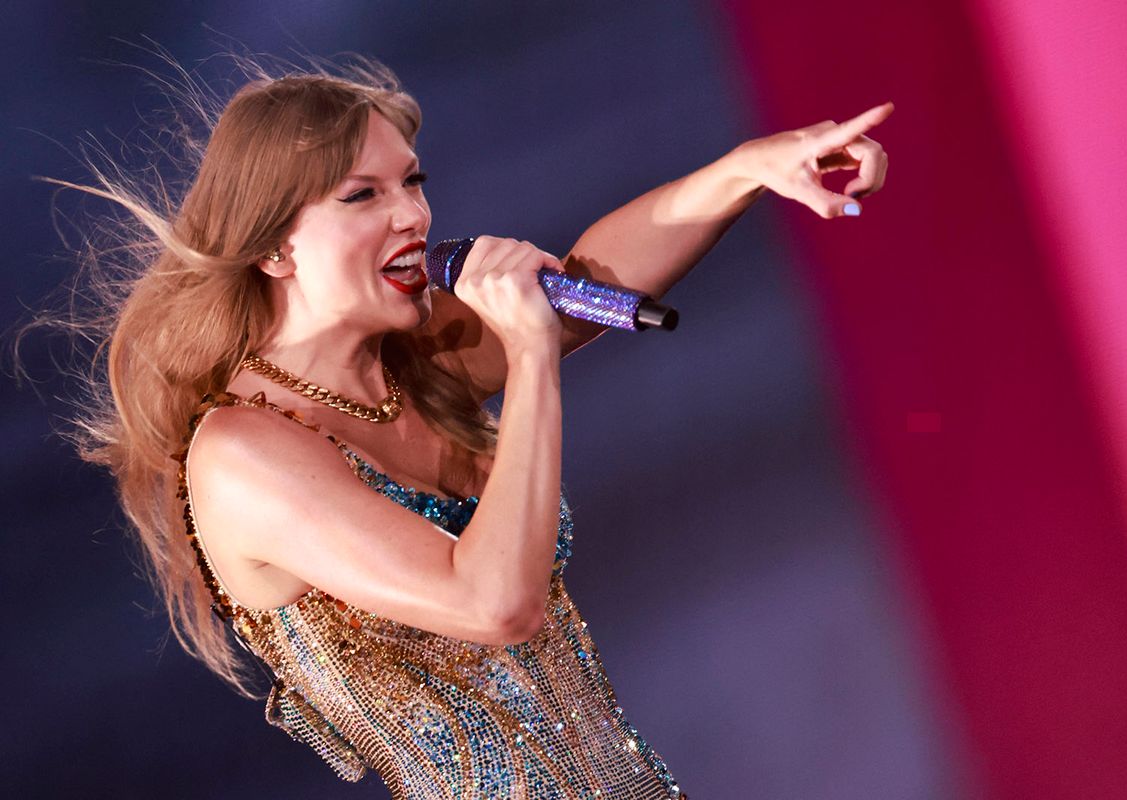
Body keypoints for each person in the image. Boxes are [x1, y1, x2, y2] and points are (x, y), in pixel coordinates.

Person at [69, 58, 891, 798]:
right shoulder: (244, 452)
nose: (413, 215)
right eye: (365, 195)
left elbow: (587, 279)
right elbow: (493, 602)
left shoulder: (409, 365)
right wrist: (530, 354)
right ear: (276, 248)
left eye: (413, 183)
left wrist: (747, 170)